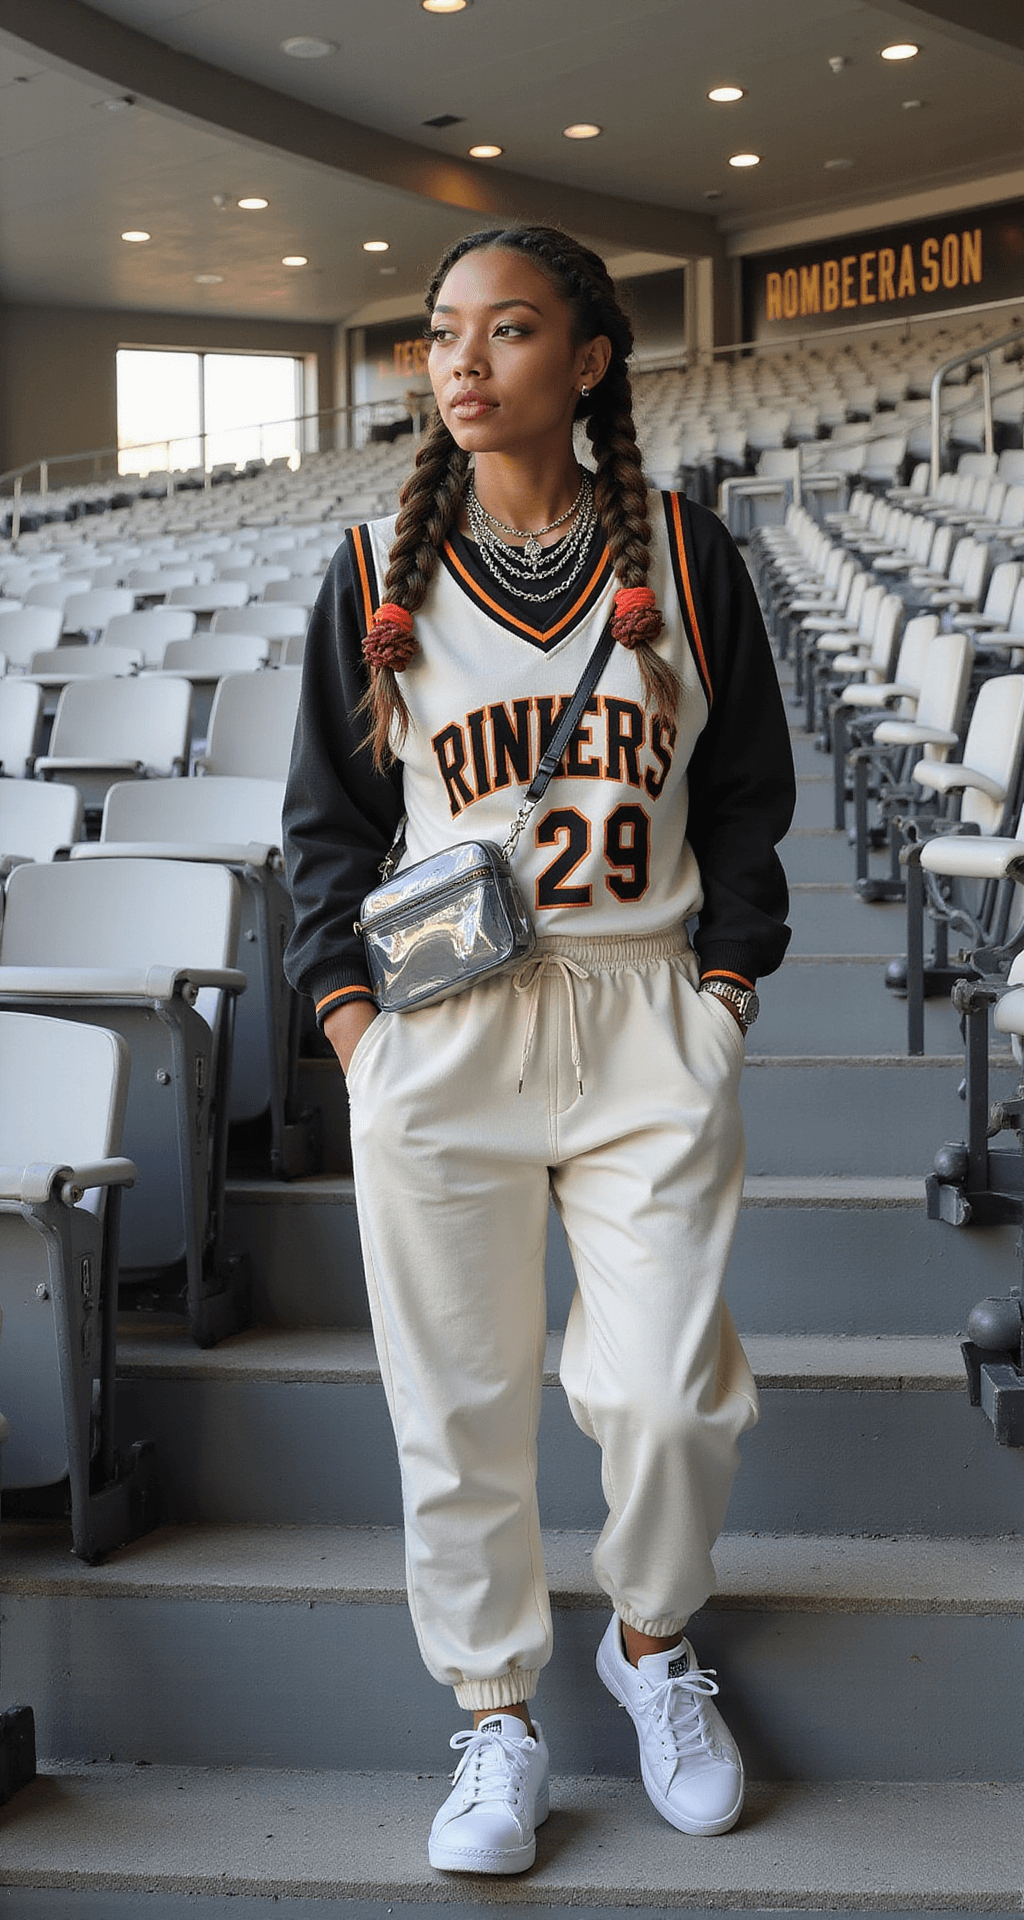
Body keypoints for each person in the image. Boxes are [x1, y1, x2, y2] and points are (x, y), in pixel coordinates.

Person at [283, 224, 795, 1875]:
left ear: (587, 360)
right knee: (458, 1406)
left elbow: (745, 808)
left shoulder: (689, 556)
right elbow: (324, 839)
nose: (464, 361)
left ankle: (650, 1647)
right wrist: (356, 1037)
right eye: (443, 333)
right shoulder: (373, 570)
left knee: (663, 1397)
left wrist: (724, 998)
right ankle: (496, 1712)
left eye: (509, 331)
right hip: (439, 1041)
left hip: (646, 1019)